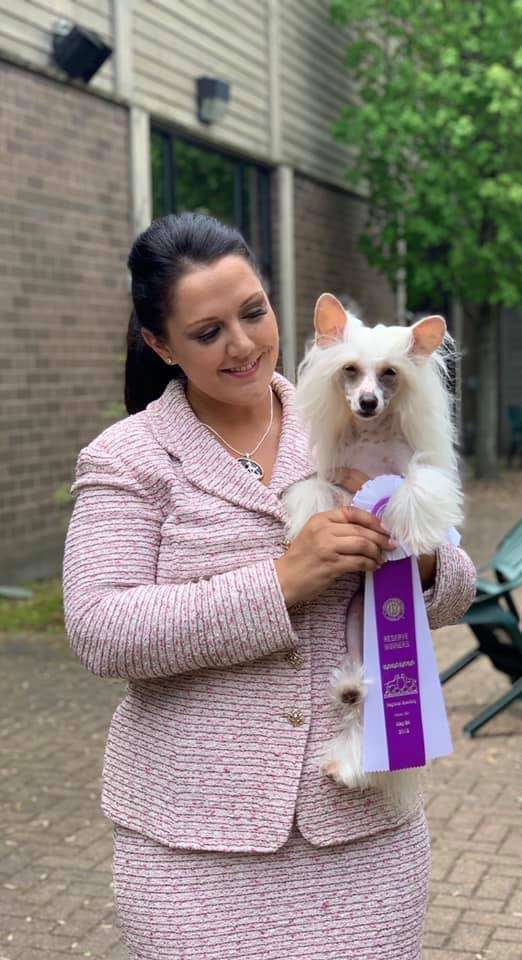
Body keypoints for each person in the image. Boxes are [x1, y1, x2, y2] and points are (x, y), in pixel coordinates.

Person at [62, 212, 476, 960]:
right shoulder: (129, 458)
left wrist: (416, 561)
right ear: (160, 344)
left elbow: (453, 587)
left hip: (361, 826)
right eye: (208, 331)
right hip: (193, 844)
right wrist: (282, 581)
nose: (244, 343)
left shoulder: (355, 419)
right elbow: (99, 627)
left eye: (253, 312)